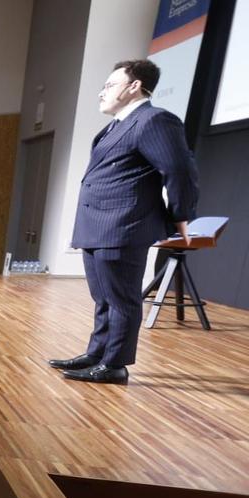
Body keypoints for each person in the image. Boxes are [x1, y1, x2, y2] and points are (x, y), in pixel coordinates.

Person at [51, 59, 199, 385]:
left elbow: (179, 170)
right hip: (99, 226)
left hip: (123, 225)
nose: (102, 92)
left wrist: (181, 215)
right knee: (103, 297)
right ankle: (97, 353)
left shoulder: (154, 120)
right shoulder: (117, 124)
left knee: (122, 299)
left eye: (109, 85)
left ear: (134, 86)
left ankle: (115, 364)